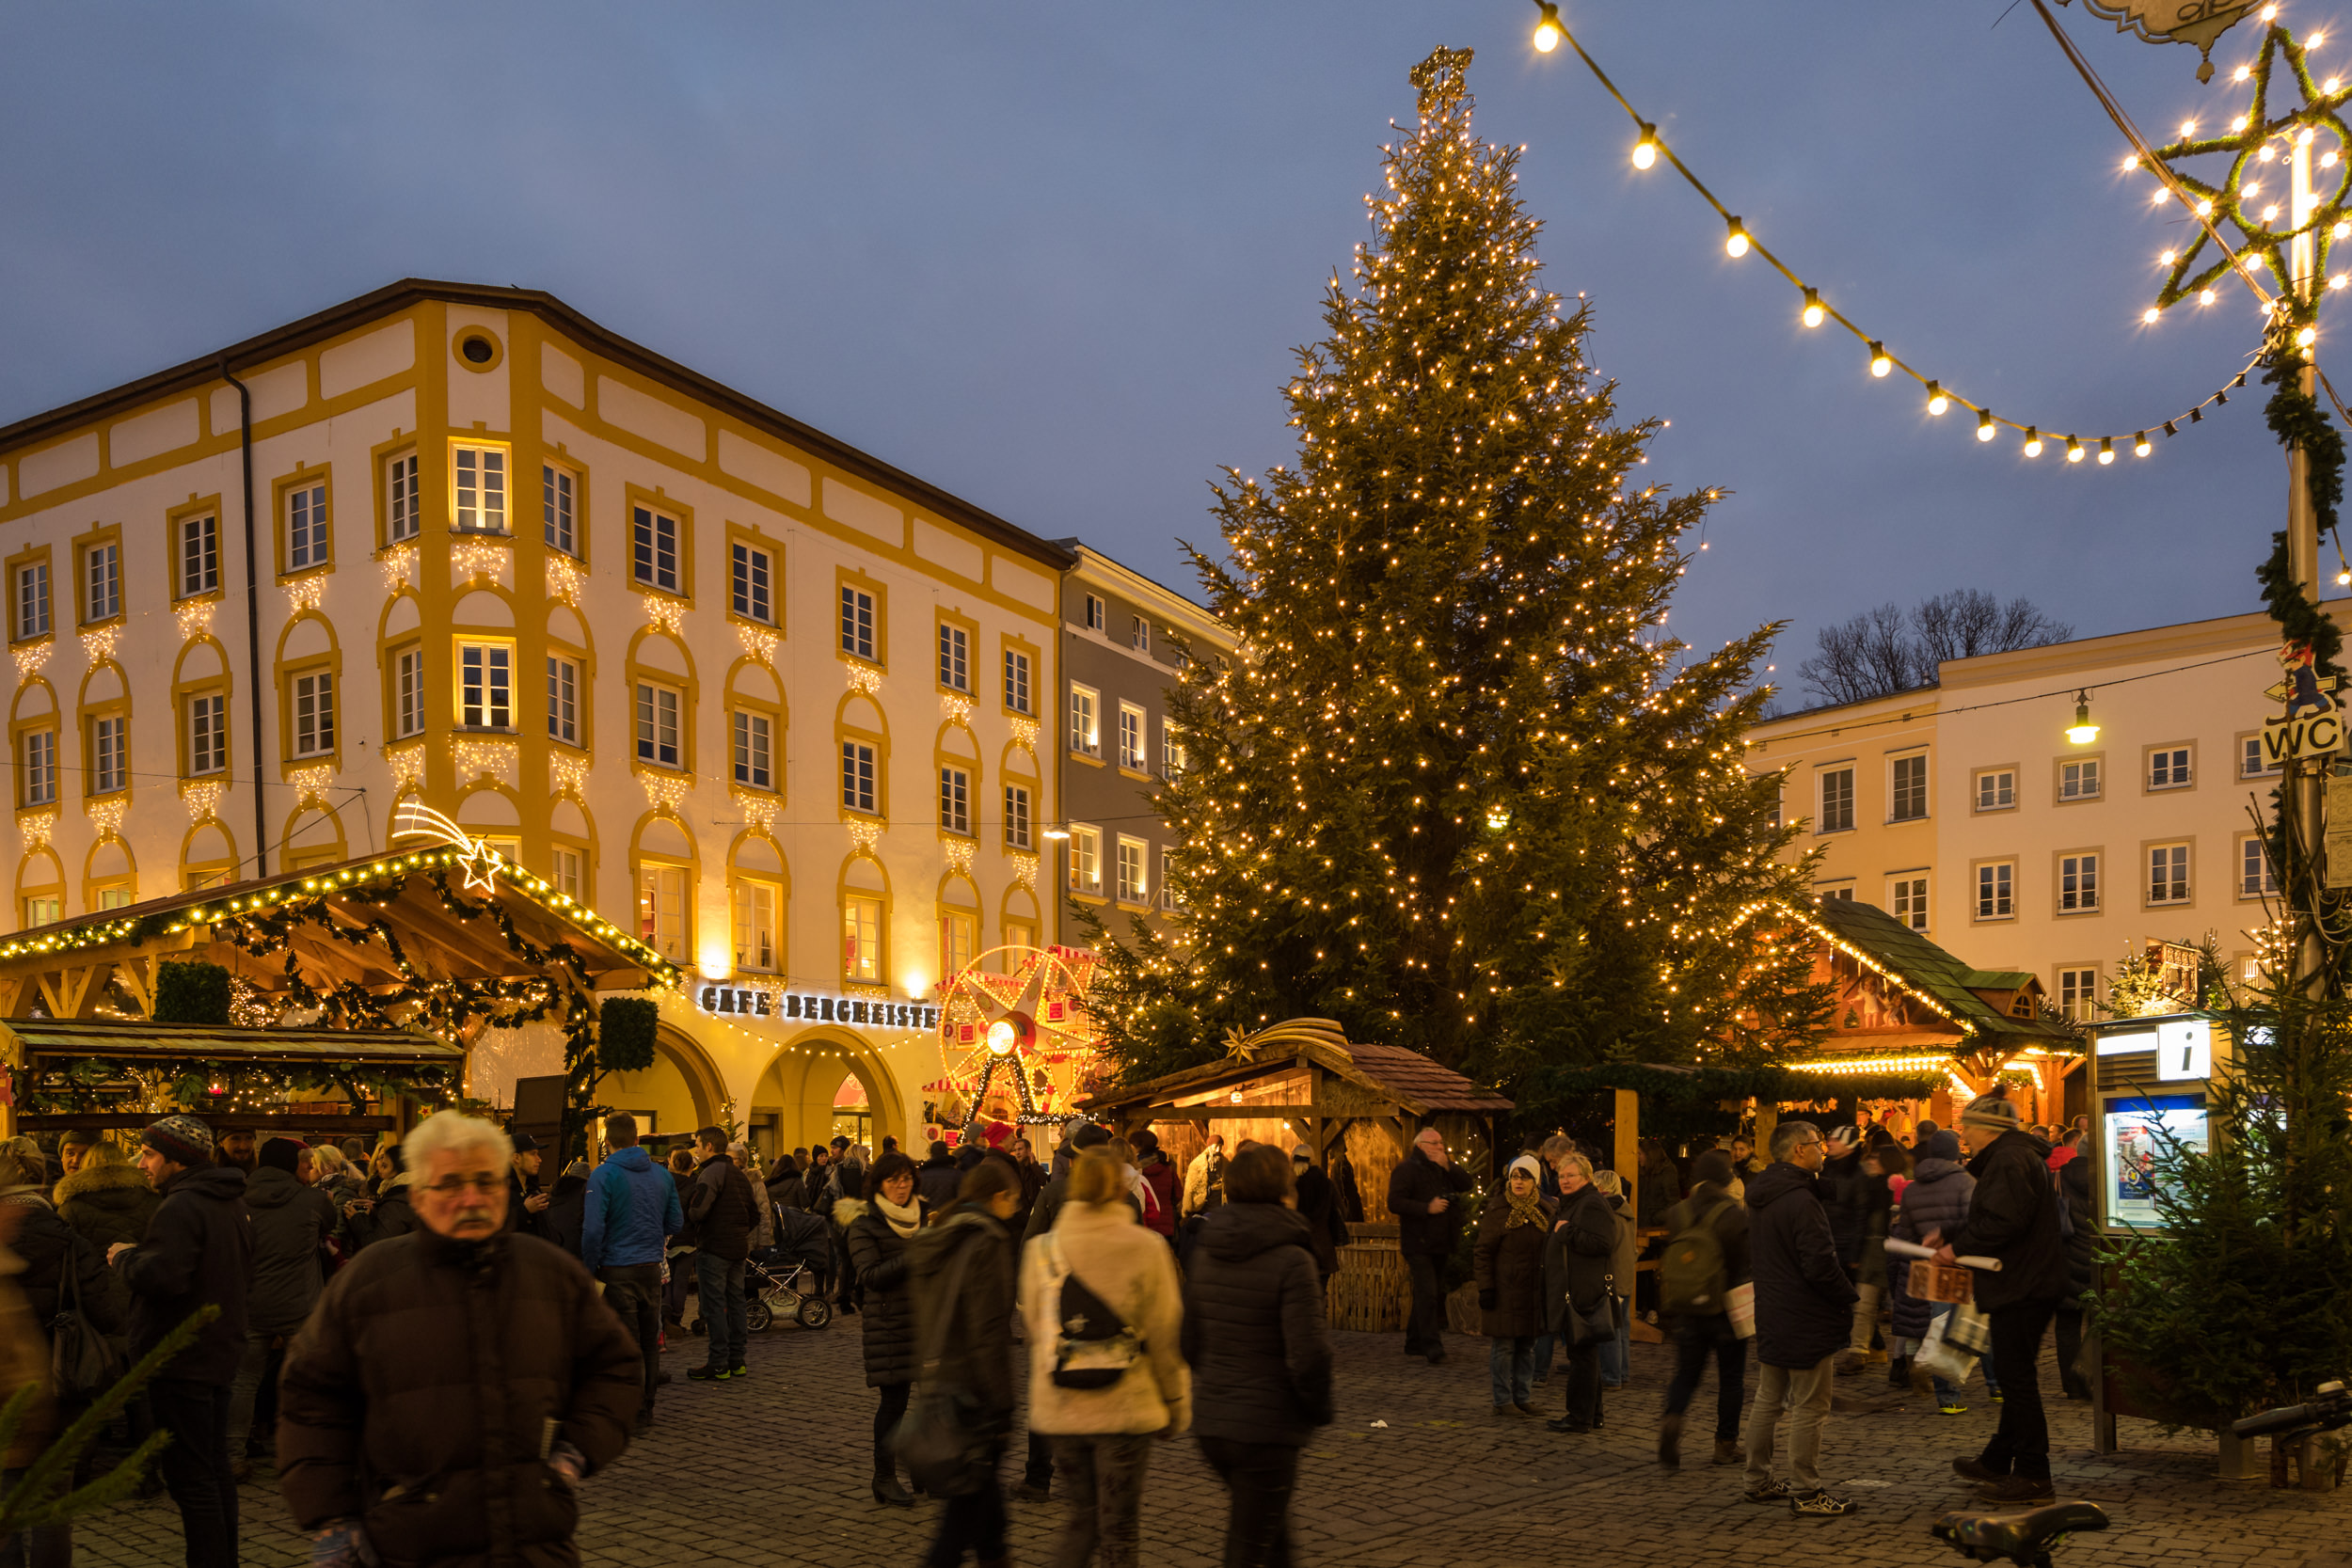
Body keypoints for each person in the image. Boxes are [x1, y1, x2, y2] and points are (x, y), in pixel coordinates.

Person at [277, 1111, 641, 1568]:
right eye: (450, 1184)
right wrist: (333, 1517)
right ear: (419, 1196)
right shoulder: (369, 1281)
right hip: (409, 1543)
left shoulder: (549, 1272)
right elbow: (311, 1400)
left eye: (486, 1182)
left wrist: (574, 1453)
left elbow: (615, 1367)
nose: (471, 1198)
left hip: (533, 1542)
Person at [1022, 1147, 1188, 1568]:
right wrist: (1174, 1402)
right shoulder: (1146, 1247)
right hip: (1125, 1408)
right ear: (1120, 1188)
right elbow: (1164, 1331)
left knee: (1083, 1518)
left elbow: (1036, 1328)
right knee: (1119, 1527)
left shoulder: (1041, 1251)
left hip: (1063, 1407)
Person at [109, 1115, 252, 1568]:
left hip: (182, 1357)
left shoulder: (182, 1206)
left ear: (176, 1159)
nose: (142, 1164)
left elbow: (164, 1277)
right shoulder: (227, 1201)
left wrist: (125, 1258)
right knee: (212, 1469)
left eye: (149, 1154)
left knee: (192, 1478)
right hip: (216, 1350)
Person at [1182, 1142, 1331, 1567]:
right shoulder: (1292, 1257)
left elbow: (1188, 1341)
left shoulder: (1208, 1249)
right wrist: (1316, 1408)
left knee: (1271, 1537)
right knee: (1250, 1545)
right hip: (1265, 1428)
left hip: (1214, 1422)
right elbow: (1309, 1354)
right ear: (1284, 1191)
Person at [1931, 1090, 2070, 1504]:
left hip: (2022, 1284)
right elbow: (1998, 1216)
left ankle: (2033, 1474)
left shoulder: (2009, 1159)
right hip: (2027, 1281)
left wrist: (1956, 1248)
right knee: (2015, 1375)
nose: (1963, 1137)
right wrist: (1952, 1234)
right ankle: (1997, 1460)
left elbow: (2002, 1222)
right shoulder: (2014, 1156)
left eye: (1967, 1127)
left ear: (1986, 1128)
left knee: (2017, 1380)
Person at [906, 1157, 1024, 1568]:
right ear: (999, 1196)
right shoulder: (986, 1241)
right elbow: (988, 1331)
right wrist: (1003, 1404)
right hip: (974, 1391)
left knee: (982, 1501)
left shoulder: (943, 1233)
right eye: (1014, 1200)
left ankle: (996, 1554)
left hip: (943, 1377)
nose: (1016, 1208)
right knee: (961, 1516)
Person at [1739, 1120, 1858, 1516]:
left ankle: (1757, 1480)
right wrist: (1846, 1295)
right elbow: (1819, 1263)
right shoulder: (1800, 1199)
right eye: (1816, 1144)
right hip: (1804, 1313)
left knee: (1769, 1397)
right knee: (1810, 1404)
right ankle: (1807, 1492)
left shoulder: (1764, 1194)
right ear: (1798, 1150)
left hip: (1773, 1307)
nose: (1822, 1149)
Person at [228, 1137, 338, 1476]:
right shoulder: (313, 1200)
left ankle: (232, 1455)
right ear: (291, 1164)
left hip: (250, 1304)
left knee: (243, 1381)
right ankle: (312, 1452)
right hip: (300, 1305)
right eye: (303, 1162)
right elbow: (330, 1224)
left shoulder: (237, 1199)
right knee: (309, 1380)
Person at [580, 1113, 682, 1435]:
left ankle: (632, 1410)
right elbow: (676, 1222)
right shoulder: (662, 1175)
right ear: (637, 1139)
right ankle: (646, 1406)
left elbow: (593, 1230)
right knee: (649, 1341)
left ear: (607, 1141)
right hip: (650, 1267)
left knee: (627, 1342)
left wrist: (589, 1268)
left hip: (616, 1267)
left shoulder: (603, 1175)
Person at [842, 1150, 929, 1507]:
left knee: (933, 1400)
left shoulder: (923, 1214)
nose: (901, 1186)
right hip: (889, 1323)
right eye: (893, 1180)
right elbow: (870, 1275)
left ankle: (925, 1470)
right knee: (894, 1403)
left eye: (906, 1178)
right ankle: (884, 1478)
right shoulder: (865, 1223)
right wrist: (916, 1253)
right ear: (879, 1184)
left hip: (926, 1320)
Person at [1889, 1129, 1995, 1415]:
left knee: (1940, 1327)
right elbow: (1975, 1224)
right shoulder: (1967, 1183)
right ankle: (1996, 1385)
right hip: (1965, 1264)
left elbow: (1906, 1234)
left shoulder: (1912, 1188)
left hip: (1931, 1265)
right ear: (1955, 1154)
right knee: (1981, 1324)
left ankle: (1948, 1398)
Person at [1657, 1149, 1750, 1469]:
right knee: (1731, 1378)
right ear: (1726, 1180)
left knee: (1686, 1374)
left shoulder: (1677, 1213)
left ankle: (1673, 1418)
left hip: (1686, 1307)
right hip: (1726, 1309)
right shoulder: (1734, 1215)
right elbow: (1743, 1265)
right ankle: (1725, 1444)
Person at [1540, 1150, 1617, 1433]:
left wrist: (1567, 1232)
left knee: (1582, 1355)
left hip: (1584, 1291)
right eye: (1561, 1175)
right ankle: (1592, 1414)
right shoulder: (1572, 1202)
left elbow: (1603, 1243)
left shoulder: (1591, 1203)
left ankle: (1579, 1417)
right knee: (1584, 1354)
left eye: (1571, 1175)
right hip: (1574, 1289)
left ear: (1586, 1176)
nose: (1565, 1180)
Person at [1387, 1126, 1473, 1366]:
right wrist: (1427, 1208)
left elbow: (1466, 1184)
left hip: (1441, 1242)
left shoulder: (1443, 1168)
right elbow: (1394, 1202)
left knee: (1427, 1293)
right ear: (1420, 1146)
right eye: (1434, 1143)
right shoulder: (1406, 1170)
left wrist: (1449, 1165)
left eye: (1441, 1142)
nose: (1440, 1147)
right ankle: (1432, 1346)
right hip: (1418, 1242)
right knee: (1428, 1293)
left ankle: (1413, 1341)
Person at [1474, 1154, 1552, 1417]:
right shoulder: (1498, 1211)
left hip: (1533, 1291)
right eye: (1515, 1177)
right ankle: (1502, 1399)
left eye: (1525, 1177)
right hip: (1505, 1290)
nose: (1518, 1182)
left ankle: (1523, 1396)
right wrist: (1486, 1287)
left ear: (1535, 1181)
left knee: (1527, 1347)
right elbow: (1483, 1252)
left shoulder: (1545, 1211)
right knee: (1505, 1346)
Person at [684, 1126, 762, 1383]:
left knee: (714, 1305)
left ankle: (718, 1363)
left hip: (715, 1248)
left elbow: (698, 1210)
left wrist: (696, 1220)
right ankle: (737, 1359)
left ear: (709, 1146)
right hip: (737, 1248)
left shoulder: (711, 1173)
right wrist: (739, 1231)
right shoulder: (740, 1175)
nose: (695, 1150)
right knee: (736, 1301)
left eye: (697, 1145)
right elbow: (755, 1214)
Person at [1836, 1136, 1898, 1374]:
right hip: (1871, 1255)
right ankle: (1858, 1353)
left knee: (1904, 1310)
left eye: (1876, 1159)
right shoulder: (1868, 1187)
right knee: (1863, 1306)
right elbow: (1860, 1221)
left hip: (1894, 1256)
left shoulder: (1899, 1191)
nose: (1870, 1162)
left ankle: (1907, 1360)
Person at [55, 1138, 161, 1250]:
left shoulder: (71, 1207)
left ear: (86, 1163)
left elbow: (62, 1248)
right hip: (142, 1261)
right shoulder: (152, 1200)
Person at [2052, 1134, 2096, 1402]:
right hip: (2100, 1258)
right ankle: (2094, 1379)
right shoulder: (2106, 1178)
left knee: (2067, 1326)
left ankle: (2071, 1386)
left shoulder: (2058, 1178)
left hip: (2066, 1260)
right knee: (2098, 1324)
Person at [1594, 1168, 1638, 1391]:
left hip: (1612, 1275)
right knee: (1621, 1329)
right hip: (1625, 1274)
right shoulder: (1625, 1210)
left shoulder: (1608, 1212)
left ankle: (1611, 1376)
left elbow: (1606, 1245)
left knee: (1610, 1328)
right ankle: (1622, 1372)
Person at [1290, 1145, 1350, 1285]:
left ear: (1293, 1160)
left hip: (1297, 1250)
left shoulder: (1290, 1186)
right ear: (1312, 1160)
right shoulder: (1327, 1184)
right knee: (1319, 1292)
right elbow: (1343, 1212)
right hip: (1323, 1250)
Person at [346, 1145, 416, 1250]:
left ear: (398, 1169)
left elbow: (379, 1246)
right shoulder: (412, 1191)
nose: (380, 1169)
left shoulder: (396, 1201)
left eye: (385, 1165)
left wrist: (358, 1220)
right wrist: (377, 1210)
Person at [1133, 1132, 1179, 1245]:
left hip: (1143, 1225)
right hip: (1167, 1224)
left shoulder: (1133, 1171)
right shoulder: (1168, 1168)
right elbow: (1178, 1194)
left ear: (1138, 1147)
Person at [506, 1132, 550, 1240]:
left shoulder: (533, 1188)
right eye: (533, 1154)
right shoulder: (501, 1190)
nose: (539, 1159)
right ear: (516, 1158)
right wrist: (524, 1211)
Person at [915, 1140, 961, 1208]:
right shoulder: (958, 1175)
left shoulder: (922, 1176)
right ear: (947, 1152)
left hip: (928, 1213)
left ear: (931, 1154)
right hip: (950, 1213)